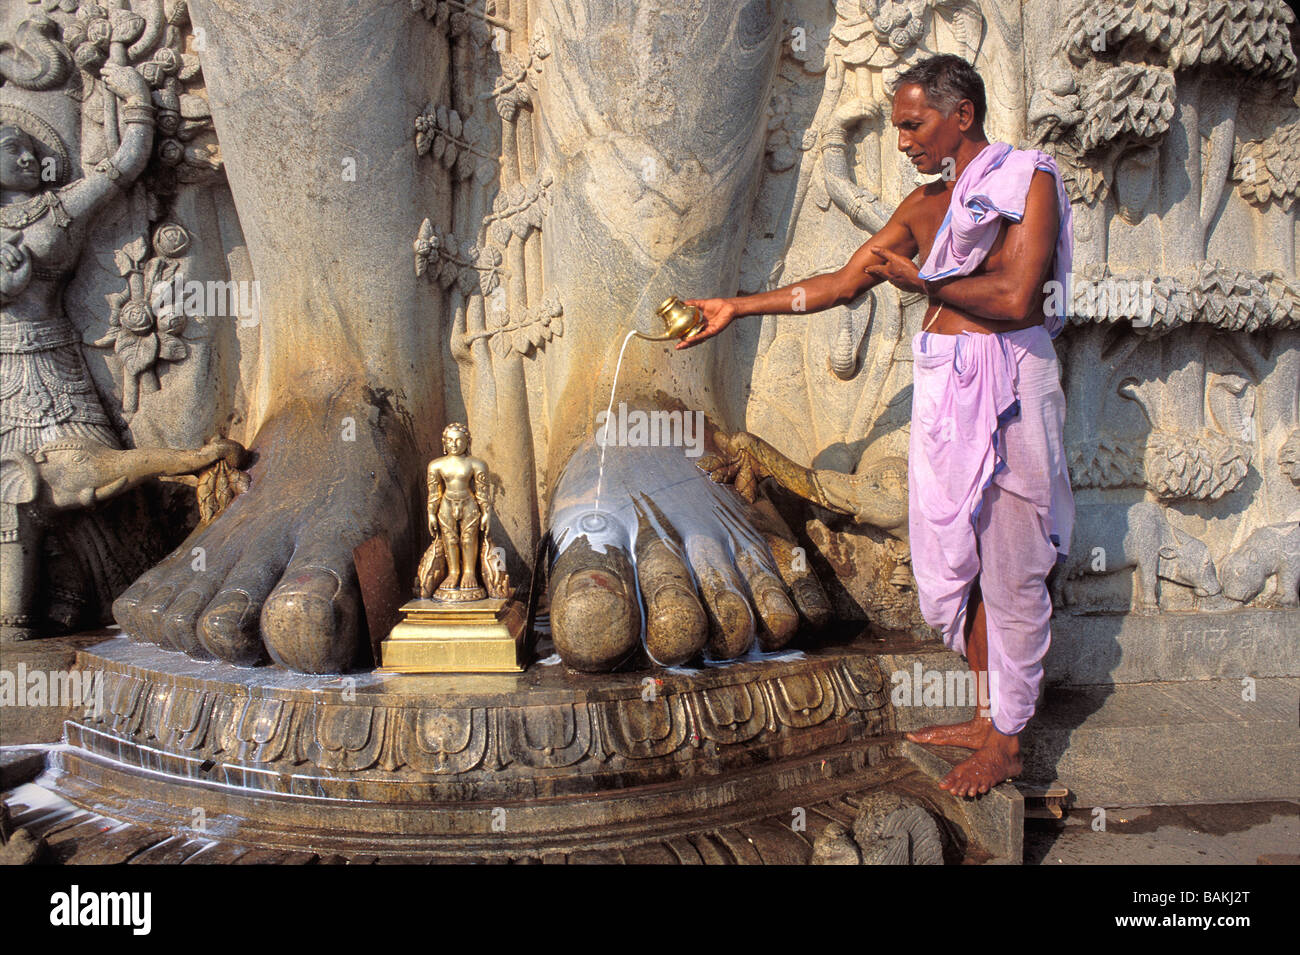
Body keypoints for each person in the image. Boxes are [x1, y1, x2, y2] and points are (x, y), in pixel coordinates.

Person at [680, 54, 1075, 798]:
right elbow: (839, 283)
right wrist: (737, 306)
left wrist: (925, 281)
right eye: (897, 127)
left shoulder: (1029, 179)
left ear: (962, 114)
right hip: (948, 393)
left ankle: (1008, 741)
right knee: (957, 566)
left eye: (913, 124)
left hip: (1012, 386)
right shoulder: (927, 208)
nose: (902, 141)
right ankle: (989, 715)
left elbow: (1021, 292)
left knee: (1012, 567)